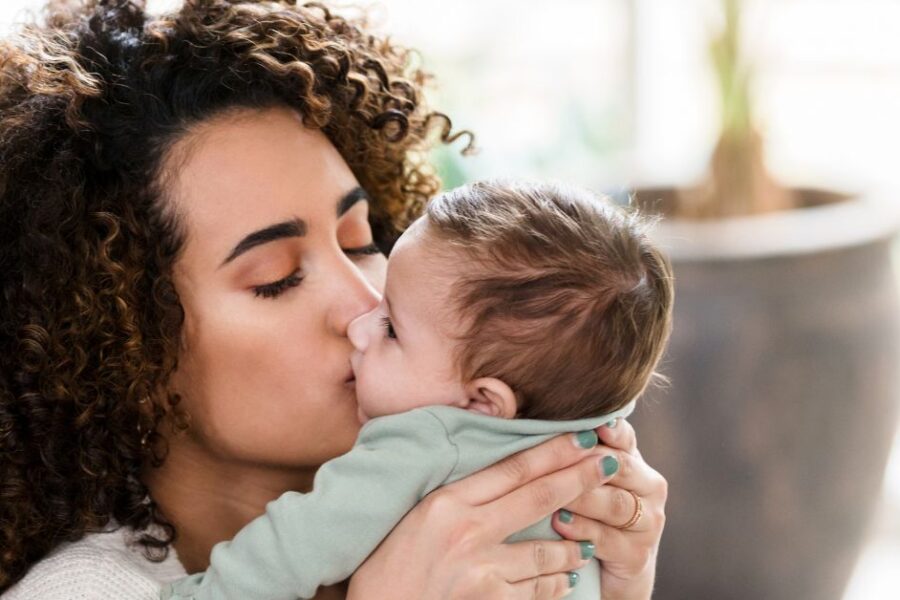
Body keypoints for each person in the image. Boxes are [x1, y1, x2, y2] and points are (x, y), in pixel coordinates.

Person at [0, 2, 668, 599]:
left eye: (361, 238)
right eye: (278, 276)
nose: (366, 302)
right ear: (122, 340)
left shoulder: (479, 526)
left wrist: (619, 581)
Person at [160, 179, 674, 600]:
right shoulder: (595, 436)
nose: (362, 318)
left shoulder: (424, 442)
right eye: (278, 276)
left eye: (361, 242)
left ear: (483, 401)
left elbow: (295, 544)